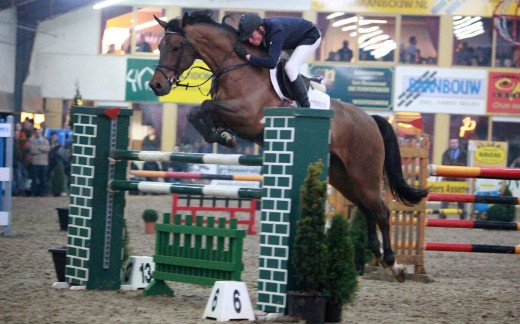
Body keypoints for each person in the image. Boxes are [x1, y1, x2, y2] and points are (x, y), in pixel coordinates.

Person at [234, 13, 322, 108]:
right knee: (284, 66)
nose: (250, 41)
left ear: (261, 28)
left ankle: (306, 106)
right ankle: (308, 80)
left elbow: (271, 63)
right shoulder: (263, 29)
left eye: (251, 36)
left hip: (311, 36)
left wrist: (247, 56)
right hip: (293, 40)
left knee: (290, 68)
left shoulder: (276, 31)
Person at [439, 138, 468, 220]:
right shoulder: (445, 153)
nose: (454, 144)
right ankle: (442, 215)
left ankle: (463, 217)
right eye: (452, 142)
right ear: (449, 143)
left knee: (461, 200)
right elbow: (443, 164)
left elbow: (465, 165)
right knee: (445, 198)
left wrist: (453, 166)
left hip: (460, 179)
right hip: (448, 178)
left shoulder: (464, 153)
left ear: (458, 143)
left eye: (455, 142)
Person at [29, 128, 50, 196]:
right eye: (36, 133)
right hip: (35, 163)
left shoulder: (45, 141)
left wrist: (38, 148)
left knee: (43, 179)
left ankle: (42, 192)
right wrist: (41, 150)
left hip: (44, 163)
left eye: (39, 132)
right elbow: (32, 150)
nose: (38, 134)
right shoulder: (32, 141)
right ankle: (33, 192)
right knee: (34, 179)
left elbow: (47, 149)